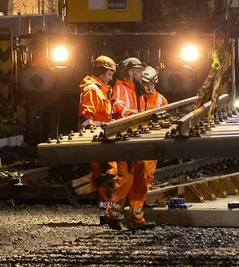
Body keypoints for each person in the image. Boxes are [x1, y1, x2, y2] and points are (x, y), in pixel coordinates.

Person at [106, 57, 155, 230]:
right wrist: (136, 118)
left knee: (140, 179)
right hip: (124, 140)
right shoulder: (121, 88)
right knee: (126, 178)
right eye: (138, 71)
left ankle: (136, 218)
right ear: (130, 72)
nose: (141, 74)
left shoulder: (135, 89)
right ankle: (112, 215)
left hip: (135, 138)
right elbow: (119, 107)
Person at [71, 55, 117, 225]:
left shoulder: (99, 89)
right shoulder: (93, 89)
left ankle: (103, 213)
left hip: (101, 139)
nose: (111, 77)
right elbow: (85, 116)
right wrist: (93, 136)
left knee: (105, 175)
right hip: (97, 140)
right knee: (111, 173)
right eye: (110, 73)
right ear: (104, 72)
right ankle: (76, 189)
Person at [127, 66, 168, 225]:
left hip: (151, 144)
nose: (147, 87)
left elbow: (165, 121)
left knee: (145, 179)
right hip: (139, 143)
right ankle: (136, 213)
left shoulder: (160, 100)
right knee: (137, 179)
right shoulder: (138, 97)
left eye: (149, 83)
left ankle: (137, 211)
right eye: (144, 83)